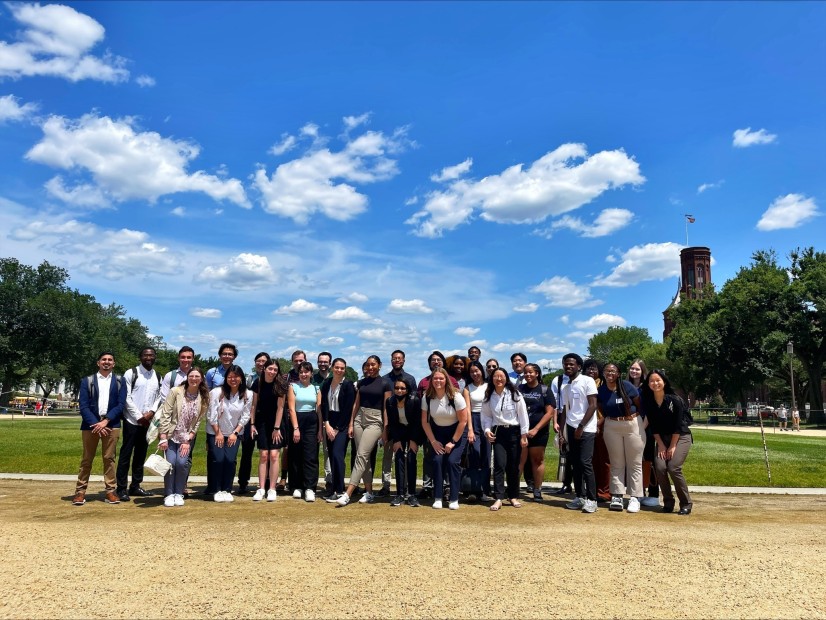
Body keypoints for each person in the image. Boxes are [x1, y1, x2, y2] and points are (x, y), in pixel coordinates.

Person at [72, 351, 127, 506]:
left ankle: (110, 491)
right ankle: (80, 492)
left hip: (112, 424)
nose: (107, 362)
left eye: (110, 360)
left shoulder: (120, 381)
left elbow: (121, 405)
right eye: (104, 359)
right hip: (91, 425)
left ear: (114, 364)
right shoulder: (87, 381)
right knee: (86, 459)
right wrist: (97, 423)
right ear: (98, 363)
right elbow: (83, 405)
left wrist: (106, 421)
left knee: (109, 459)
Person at [336, 356, 392, 507]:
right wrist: (350, 424)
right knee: (364, 457)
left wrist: (385, 429)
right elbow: (356, 404)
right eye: (368, 365)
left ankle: (348, 493)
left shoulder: (386, 384)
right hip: (359, 419)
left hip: (376, 420)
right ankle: (369, 493)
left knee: (361, 455)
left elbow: (387, 408)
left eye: (373, 364)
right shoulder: (362, 382)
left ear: (379, 365)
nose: (371, 367)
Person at [642, 369, 694, 515]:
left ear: (664, 382)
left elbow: (678, 425)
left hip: (681, 437)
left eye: (658, 380)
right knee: (659, 467)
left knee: (673, 467)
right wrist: (662, 445)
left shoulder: (674, 400)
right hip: (662, 438)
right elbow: (654, 426)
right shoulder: (649, 402)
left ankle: (686, 503)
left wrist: (672, 446)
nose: (655, 383)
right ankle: (668, 502)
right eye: (652, 381)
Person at [158, 366, 209, 507]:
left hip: (186, 438)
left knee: (181, 464)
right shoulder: (176, 392)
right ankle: (169, 494)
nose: (194, 379)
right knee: (170, 464)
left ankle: (179, 492)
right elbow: (166, 413)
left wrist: (189, 438)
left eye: (197, 377)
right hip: (170, 435)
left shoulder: (203, 397)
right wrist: (163, 436)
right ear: (187, 377)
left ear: (201, 379)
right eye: (191, 376)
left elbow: (198, 420)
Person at [116, 347, 162, 501]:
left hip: (147, 421)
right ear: (140, 357)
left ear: (155, 357)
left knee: (140, 455)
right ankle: (121, 488)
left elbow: (159, 397)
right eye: (145, 355)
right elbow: (126, 397)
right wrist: (138, 416)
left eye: (151, 355)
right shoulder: (131, 373)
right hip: (131, 420)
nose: (148, 357)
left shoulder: (157, 376)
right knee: (126, 454)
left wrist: (151, 412)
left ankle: (135, 486)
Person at [598, 363, 644, 513]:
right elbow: (600, 407)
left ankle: (635, 497)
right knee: (616, 462)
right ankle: (617, 495)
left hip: (632, 424)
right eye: (607, 371)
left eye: (613, 371)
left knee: (634, 463)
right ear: (603, 373)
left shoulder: (627, 386)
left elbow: (639, 404)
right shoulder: (602, 390)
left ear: (618, 373)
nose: (609, 373)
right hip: (612, 425)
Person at [481, 368, 529, 511]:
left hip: (514, 431)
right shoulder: (489, 395)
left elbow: (523, 415)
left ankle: (513, 496)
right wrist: (487, 430)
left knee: (513, 466)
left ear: (506, 378)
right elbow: (486, 416)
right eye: (496, 376)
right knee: (499, 465)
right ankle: (499, 497)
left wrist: (524, 435)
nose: (499, 379)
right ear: (492, 379)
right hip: (499, 432)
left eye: (501, 376)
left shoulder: (515, 394)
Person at [421, 367, 469, 510]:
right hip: (438, 433)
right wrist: (433, 442)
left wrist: (453, 442)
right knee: (437, 461)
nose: (438, 381)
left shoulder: (456, 396)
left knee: (452, 462)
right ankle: (438, 497)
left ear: (446, 379)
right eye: (435, 378)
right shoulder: (427, 397)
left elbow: (463, 421)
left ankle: (454, 498)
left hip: (457, 432)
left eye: (441, 378)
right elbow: (425, 422)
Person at [560, 353, 599, 514]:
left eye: (571, 364)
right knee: (575, 464)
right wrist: (562, 432)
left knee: (585, 463)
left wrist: (581, 426)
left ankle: (592, 499)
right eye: (565, 364)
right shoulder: (566, 386)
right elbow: (565, 410)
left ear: (579, 366)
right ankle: (580, 496)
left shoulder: (587, 381)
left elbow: (593, 405)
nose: (568, 367)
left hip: (586, 428)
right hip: (571, 427)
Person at [416, 350, 459, 498]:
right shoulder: (423, 382)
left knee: (447, 457)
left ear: (443, 363)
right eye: (433, 360)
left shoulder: (452, 381)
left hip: (448, 424)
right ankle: (428, 486)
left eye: (438, 360)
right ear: (429, 364)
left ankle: (446, 487)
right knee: (430, 456)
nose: (436, 362)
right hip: (429, 424)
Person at [207, 364, 251, 503]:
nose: (233, 379)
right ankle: (216, 489)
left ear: (241, 378)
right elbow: (211, 414)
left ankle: (227, 489)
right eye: (230, 376)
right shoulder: (216, 392)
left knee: (230, 460)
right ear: (226, 378)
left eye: (236, 376)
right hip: (216, 432)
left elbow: (246, 415)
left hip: (234, 433)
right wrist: (218, 433)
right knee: (218, 459)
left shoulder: (247, 394)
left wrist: (235, 433)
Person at [518, 363, 557, 502]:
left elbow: (549, 413)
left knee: (537, 460)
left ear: (537, 374)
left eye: (531, 372)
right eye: (526, 373)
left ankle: (537, 489)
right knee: (519, 460)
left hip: (539, 432)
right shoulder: (519, 389)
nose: (528, 375)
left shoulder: (544, 390)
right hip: (521, 431)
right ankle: (513, 489)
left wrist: (535, 429)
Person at [250, 358, 287, 502]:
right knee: (264, 455)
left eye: (275, 370)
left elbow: (280, 408)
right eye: (270, 369)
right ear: (264, 368)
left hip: (277, 424)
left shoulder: (281, 385)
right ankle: (261, 488)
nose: (272, 372)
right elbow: (253, 405)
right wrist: (252, 424)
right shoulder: (257, 383)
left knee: (274, 455)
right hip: (262, 423)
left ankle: (272, 488)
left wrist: (277, 428)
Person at [204, 343, 239, 496]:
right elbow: (206, 393)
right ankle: (212, 486)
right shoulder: (212, 372)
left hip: (232, 420)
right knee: (214, 455)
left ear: (234, 356)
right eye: (224, 353)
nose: (227, 356)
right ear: (220, 355)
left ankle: (227, 486)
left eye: (230, 354)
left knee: (230, 457)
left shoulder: (236, 372)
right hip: (214, 419)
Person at [321, 358, 357, 502]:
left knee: (337, 455)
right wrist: (327, 424)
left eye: (342, 368)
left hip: (342, 425)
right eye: (337, 367)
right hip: (329, 421)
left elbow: (348, 409)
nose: (339, 370)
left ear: (345, 370)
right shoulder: (327, 383)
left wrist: (337, 429)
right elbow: (324, 404)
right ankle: (334, 490)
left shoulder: (348, 385)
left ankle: (340, 490)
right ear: (332, 368)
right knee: (332, 456)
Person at [287, 361, 322, 502]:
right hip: (297, 420)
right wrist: (296, 428)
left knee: (310, 456)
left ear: (311, 374)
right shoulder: (293, 387)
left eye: (306, 372)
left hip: (312, 421)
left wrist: (320, 430)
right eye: (301, 372)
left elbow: (319, 411)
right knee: (296, 454)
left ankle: (309, 488)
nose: (303, 374)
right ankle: (296, 486)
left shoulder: (316, 389)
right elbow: (291, 408)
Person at [386, 379, 424, 507]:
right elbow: (392, 423)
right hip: (399, 430)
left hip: (413, 430)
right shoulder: (390, 401)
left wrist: (414, 441)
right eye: (397, 388)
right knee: (399, 458)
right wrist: (396, 440)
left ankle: (412, 494)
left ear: (407, 390)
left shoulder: (414, 400)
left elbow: (418, 422)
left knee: (412, 459)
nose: (399, 390)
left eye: (402, 388)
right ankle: (400, 494)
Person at [238, 352, 270, 494]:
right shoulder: (249, 379)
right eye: (258, 360)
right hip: (250, 419)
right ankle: (243, 482)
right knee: (247, 452)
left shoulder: (273, 378)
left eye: (264, 361)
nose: (261, 363)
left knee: (266, 452)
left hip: (265, 419)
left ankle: (267, 482)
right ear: (255, 362)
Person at [628, 358, 658, 507]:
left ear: (642, 371)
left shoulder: (647, 388)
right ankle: (638, 493)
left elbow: (650, 411)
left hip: (646, 427)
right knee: (635, 462)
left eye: (637, 369)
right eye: (632, 369)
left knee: (649, 460)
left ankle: (653, 494)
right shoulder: (625, 386)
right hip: (630, 428)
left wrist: (642, 428)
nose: (634, 371)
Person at [464, 360, 493, 501]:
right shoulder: (467, 388)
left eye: (477, 370)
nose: (475, 374)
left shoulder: (489, 386)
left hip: (488, 420)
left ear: (482, 370)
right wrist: (470, 429)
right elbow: (467, 410)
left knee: (486, 457)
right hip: (474, 421)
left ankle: (485, 490)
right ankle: (473, 490)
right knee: (474, 455)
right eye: (472, 372)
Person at [584, 358, 611, 503]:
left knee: (604, 460)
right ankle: (592, 489)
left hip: (602, 425)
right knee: (591, 460)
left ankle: (605, 491)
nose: (591, 371)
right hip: (587, 427)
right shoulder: (582, 383)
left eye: (594, 368)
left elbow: (606, 409)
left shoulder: (603, 385)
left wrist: (599, 424)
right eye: (588, 368)